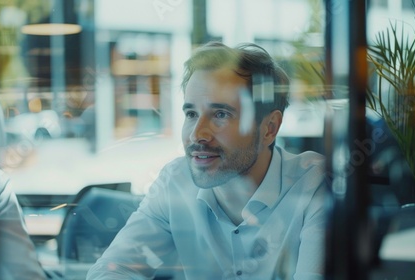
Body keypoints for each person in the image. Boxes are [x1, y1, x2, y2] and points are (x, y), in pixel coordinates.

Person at [87, 42, 328, 279]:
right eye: (191, 114)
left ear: (269, 128)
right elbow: (112, 270)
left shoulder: (314, 185)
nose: (197, 134)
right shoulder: (175, 181)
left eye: (220, 114)